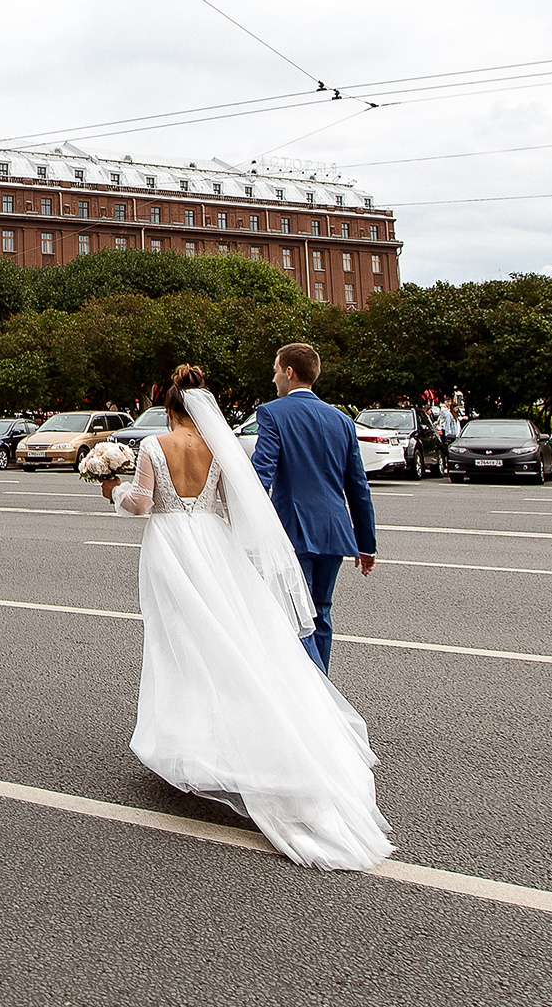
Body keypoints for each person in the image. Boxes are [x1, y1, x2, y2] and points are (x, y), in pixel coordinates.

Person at [96, 362, 392, 870]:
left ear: (168, 408)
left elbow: (143, 504)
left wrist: (111, 490)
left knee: (180, 644)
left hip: (170, 548)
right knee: (231, 639)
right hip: (214, 546)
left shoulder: (153, 447)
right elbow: (234, 510)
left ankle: (190, 745)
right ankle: (235, 735)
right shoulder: (221, 449)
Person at [250, 342, 377, 674]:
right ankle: (322, 687)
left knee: (297, 614)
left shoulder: (273, 413)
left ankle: (317, 700)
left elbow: (262, 473)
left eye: (276, 370)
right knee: (321, 610)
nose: (274, 378)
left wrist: (246, 519)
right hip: (335, 531)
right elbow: (359, 488)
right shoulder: (342, 421)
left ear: (289, 373)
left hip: (294, 529)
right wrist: (367, 545)